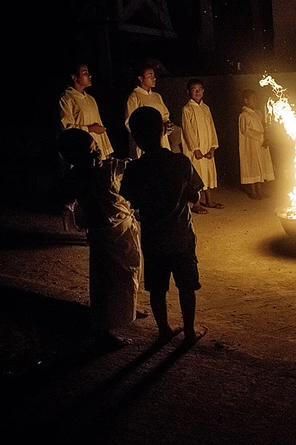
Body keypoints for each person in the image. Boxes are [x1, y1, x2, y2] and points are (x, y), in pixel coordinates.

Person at [120, 106, 205, 346]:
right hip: (181, 238)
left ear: (135, 137)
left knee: (157, 289)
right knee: (186, 287)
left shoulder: (135, 169)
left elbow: (132, 201)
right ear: (162, 130)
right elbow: (195, 197)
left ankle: (164, 329)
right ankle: (189, 331)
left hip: (153, 240)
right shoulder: (180, 162)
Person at [57, 128, 141, 352]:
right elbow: (67, 200)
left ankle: (129, 308)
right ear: (74, 158)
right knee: (107, 282)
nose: (97, 155)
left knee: (130, 271)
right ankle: (102, 332)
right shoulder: (76, 178)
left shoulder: (109, 167)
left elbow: (133, 164)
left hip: (123, 229)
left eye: (96, 148)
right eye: (90, 152)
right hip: (103, 236)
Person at [182, 78, 223, 214]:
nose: (197, 92)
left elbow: (212, 128)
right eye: (194, 90)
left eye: (199, 89)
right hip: (196, 150)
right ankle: (196, 203)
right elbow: (188, 131)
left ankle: (209, 200)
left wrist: (212, 147)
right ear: (189, 92)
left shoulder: (206, 108)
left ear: (203, 91)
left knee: (208, 174)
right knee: (197, 176)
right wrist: (195, 149)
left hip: (207, 148)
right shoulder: (187, 109)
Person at [59, 62, 115, 161]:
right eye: (85, 73)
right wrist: (90, 129)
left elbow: (100, 127)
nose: (89, 76)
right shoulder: (66, 99)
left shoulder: (91, 99)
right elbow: (67, 129)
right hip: (80, 153)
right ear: (74, 77)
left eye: (88, 73)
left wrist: (107, 151)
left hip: (97, 154)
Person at [125, 62, 177, 159]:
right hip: (146, 145)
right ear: (141, 78)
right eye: (150, 76)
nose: (154, 78)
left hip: (162, 140)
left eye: (154, 75)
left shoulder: (157, 96)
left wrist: (168, 125)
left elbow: (166, 115)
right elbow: (130, 123)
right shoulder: (134, 97)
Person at [238, 89, 275, 200]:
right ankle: (253, 191)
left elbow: (263, 126)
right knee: (252, 167)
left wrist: (266, 135)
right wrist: (261, 137)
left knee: (261, 167)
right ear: (246, 100)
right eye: (253, 98)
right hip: (251, 145)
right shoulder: (244, 115)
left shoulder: (258, 113)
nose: (255, 100)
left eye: (256, 98)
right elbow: (246, 130)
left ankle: (260, 190)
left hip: (260, 145)